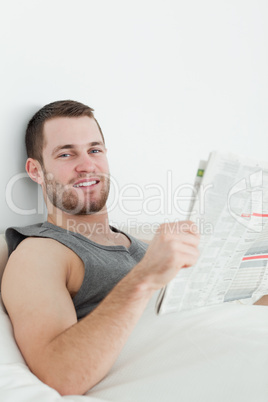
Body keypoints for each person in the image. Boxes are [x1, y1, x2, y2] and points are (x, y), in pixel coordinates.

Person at [1, 100, 201, 396]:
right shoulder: (40, 253)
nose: (87, 165)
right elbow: (60, 374)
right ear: (36, 171)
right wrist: (144, 278)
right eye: (66, 154)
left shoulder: (147, 248)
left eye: (95, 150)